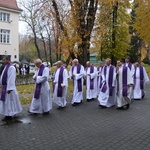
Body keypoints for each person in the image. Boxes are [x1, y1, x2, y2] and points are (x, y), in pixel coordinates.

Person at [0, 56, 22, 121]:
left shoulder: (11, 67)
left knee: (9, 102)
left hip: (8, 88)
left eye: (4, 60)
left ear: (8, 60)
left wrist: (10, 88)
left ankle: (9, 115)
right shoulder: (6, 67)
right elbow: (3, 76)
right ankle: (10, 113)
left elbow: (11, 78)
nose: (3, 61)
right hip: (4, 87)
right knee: (8, 102)